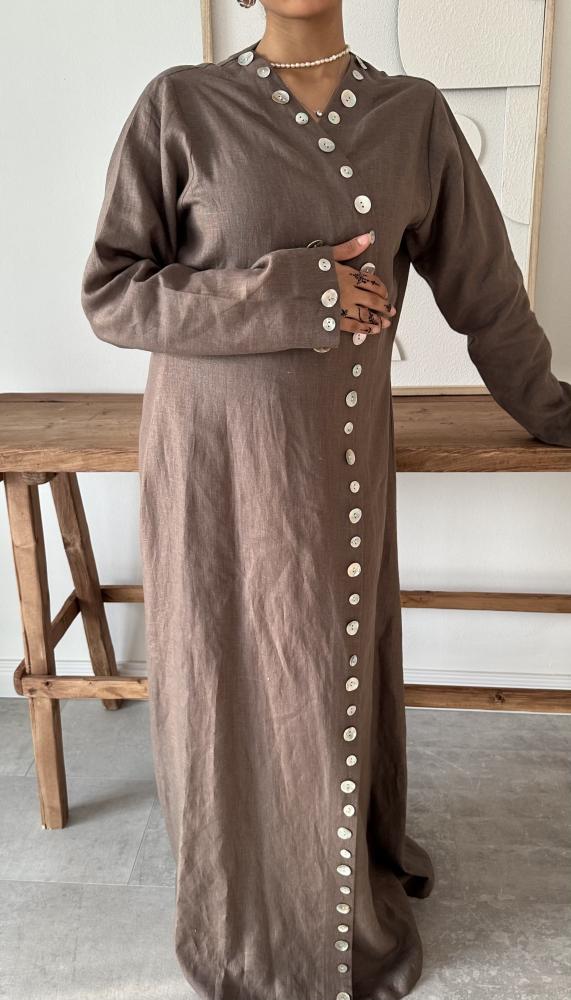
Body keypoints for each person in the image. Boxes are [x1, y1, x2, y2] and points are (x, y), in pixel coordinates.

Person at [80, 2, 571, 998]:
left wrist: (555, 412)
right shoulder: (182, 104)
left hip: (332, 464)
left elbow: (486, 296)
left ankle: (334, 880)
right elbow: (113, 294)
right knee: (224, 673)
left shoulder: (410, 117)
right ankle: (243, 901)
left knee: (322, 670)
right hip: (211, 461)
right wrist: (291, 293)